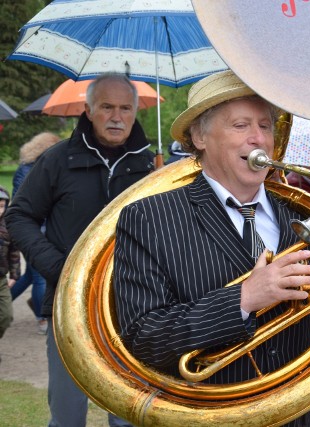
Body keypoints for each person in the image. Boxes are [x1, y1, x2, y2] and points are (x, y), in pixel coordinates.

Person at [112, 70, 310, 426]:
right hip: (215, 416)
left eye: (266, 126)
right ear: (199, 136)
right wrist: (243, 298)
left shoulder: (304, 214)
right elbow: (144, 338)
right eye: (240, 125)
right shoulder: (149, 217)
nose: (259, 139)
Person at [5, 72, 155, 427]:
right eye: (106, 107)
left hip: (131, 308)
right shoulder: (57, 159)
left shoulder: (150, 168)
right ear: (89, 110)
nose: (116, 116)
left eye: (125, 108)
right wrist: (58, 266)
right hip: (68, 306)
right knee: (68, 415)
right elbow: (19, 216)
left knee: (128, 414)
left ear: (135, 112)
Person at [9, 132, 60, 335]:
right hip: (36, 230)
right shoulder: (28, 170)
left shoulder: (48, 167)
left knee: (30, 276)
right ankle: (42, 319)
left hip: (47, 226)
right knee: (40, 277)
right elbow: (26, 202)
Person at [0, 186, 20, 343]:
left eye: (1, 206)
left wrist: (14, 275)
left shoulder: (7, 226)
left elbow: (14, 251)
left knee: (6, 316)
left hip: (1, 280)